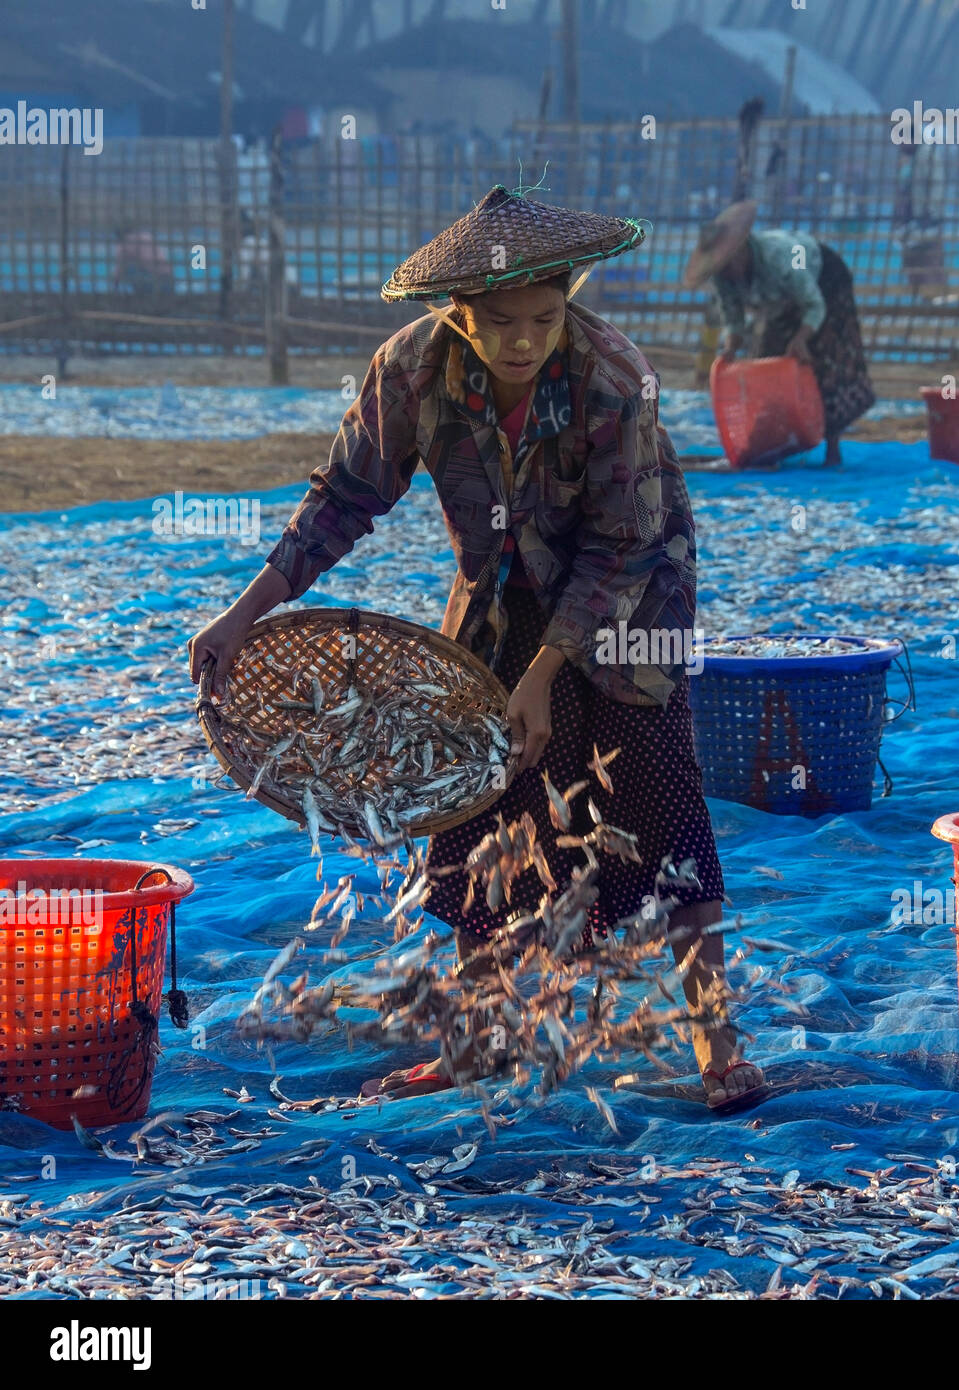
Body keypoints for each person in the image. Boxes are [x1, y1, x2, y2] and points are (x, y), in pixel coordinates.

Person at [186, 186, 767, 1113]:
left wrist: (545, 675)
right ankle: (481, 1038)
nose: (525, 339)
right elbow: (344, 497)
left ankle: (715, 1041)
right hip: (499, 594)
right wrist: (245, 612)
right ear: (456, 312)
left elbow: (621, 544)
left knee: (658, 804)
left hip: (632, 597)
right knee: (474, 810)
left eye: (544, 316)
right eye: (501, 321)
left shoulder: (614, 378)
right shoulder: (411, 371)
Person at [682, 200, 876, 466]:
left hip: (824, 282)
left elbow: (813, 303)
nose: (726, 271)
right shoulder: (723, 277)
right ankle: (768, 445)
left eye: (729, 264)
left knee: (824, 357)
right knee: (767, 360)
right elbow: (733, 316)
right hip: (780, 301)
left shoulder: (780, 258)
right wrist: (730, 348)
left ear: (741, 252)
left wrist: (801, 338)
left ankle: (833, 447)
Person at [894, 129, 949, 302]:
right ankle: (922, 299)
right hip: (910, 222)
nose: (900, 145)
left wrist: (931, 213)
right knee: (912, 263)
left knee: (930, 263)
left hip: (926, 221)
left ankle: (937, 301)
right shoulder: (908, 160)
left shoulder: (928, 155)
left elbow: (937, 186)